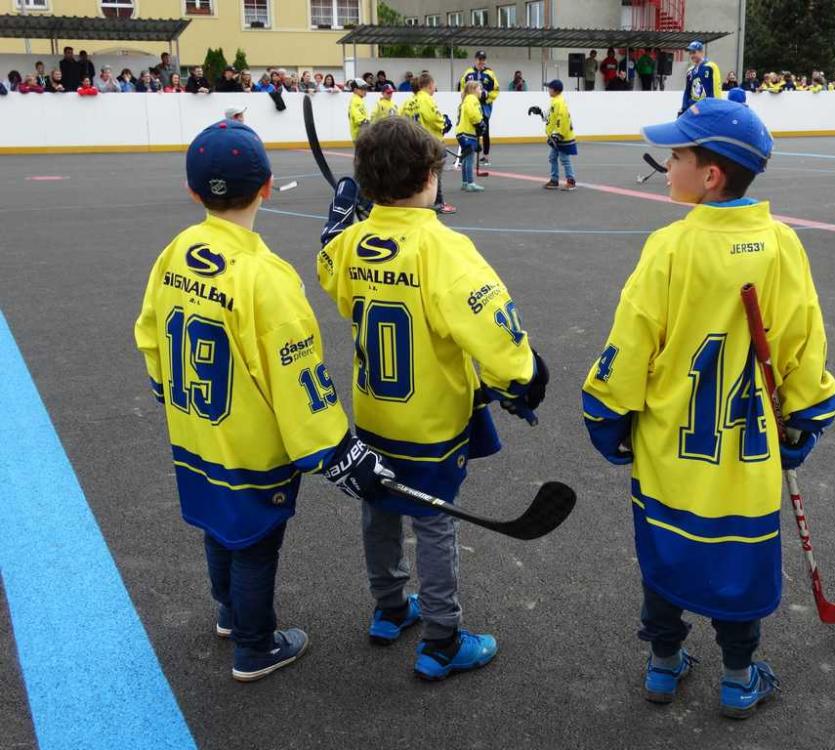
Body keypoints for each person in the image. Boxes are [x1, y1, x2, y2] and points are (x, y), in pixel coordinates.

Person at [582, 97, 835, 719]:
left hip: (670, 453)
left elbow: (632, 339)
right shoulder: (782, 244)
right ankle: (738, 676)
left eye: (677, 155)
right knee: (737, 568)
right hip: (744, 459)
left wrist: (606, 413)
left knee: (666, 559)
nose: (667, 165)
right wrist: (805, 418)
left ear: (711, 175)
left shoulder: (669, 246)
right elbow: (802, 342)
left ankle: (664, 663)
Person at [135, 119, 391, 683]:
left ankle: (229, 612)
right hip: (249, 444)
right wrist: (335, 448)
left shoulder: (175, 251)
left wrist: (163, 387)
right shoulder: (265, 276)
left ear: (193, 191)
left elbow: (150, 329)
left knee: (218, 523)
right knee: (254, 539)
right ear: (268, 186)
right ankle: (254, 646)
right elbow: (298, 373)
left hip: (195, 428)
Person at [315, 114, 547, 681]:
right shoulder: (444, 247)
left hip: (374, 415)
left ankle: (391, 608)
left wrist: (338, 226)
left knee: (379, 510)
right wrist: (523, 373)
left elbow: (329, 269)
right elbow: (492, 328)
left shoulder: (351, 244)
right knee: (435, 522)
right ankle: (443, 638)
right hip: (431, 421)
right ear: (428, 178)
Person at [410, 72, 456, 214]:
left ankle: (421, 200)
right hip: (432, 140)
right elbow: (433, 117)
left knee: (424, 173)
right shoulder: (426, 99)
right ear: (430, 85)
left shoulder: (413, 100)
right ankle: (438, 203)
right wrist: (444, 123)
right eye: (434, 85)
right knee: (435, 173)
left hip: (420, 139)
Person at [459, 51, 499, 167]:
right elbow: (462, 88)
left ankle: (485, 156)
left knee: (484, 130)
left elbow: (496, 90)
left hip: (484, 107)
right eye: (479, 59)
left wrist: (487, 95)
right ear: (475, 59)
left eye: (483, 59)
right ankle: (465, 156)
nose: (482, 61)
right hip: (471, 105)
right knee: (468, 130)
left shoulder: (490, 73)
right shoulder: (468, 72)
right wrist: (465, 99)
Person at [541, 79, 577, 191]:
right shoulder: (555, 101)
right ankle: (554, 180)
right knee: (552, 157)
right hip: (556, 136)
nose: (548, 90)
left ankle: (571, 181)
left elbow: (563, 119)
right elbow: (551, 117)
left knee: (564, 159)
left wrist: (559, 134)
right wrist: (540, 113)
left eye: (550, 88)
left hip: (562, 137)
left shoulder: (559, 102)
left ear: (555, 90)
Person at [456, 80, 485, 192]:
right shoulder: (472, 99)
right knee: (469, 159)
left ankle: (465, 182)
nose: (481, 91)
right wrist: (479, 123)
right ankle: (470, 183)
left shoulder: (466, 99)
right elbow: (473, 114)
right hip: (467, 132)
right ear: (473, 90)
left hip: (462, 132)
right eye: (479, 89)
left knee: (465, 158)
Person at [681, 41, 721, 113]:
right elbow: (687, 91)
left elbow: (716, 88)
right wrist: (684, 108)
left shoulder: (711, 66)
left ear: (702, 52)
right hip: (694, 108)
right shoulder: (690, 70)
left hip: (708, 108)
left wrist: (717, 106)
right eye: (690, 53)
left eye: (694, 52)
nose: (692, 55)